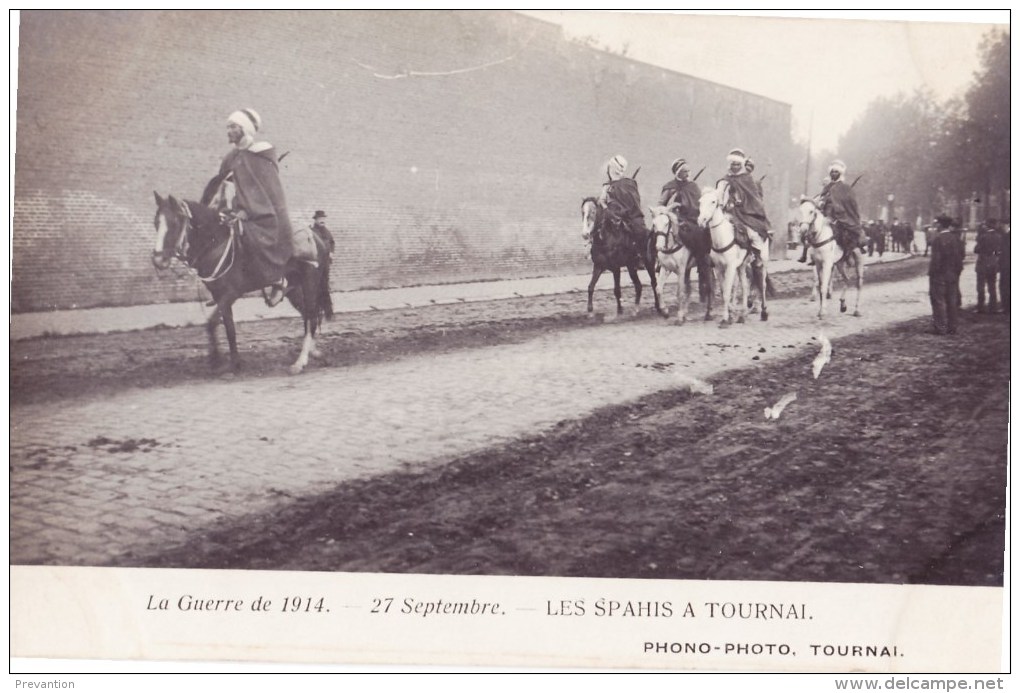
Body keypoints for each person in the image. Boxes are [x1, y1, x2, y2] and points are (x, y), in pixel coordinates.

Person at [658, 157, 712, 300]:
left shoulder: (693, 186)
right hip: (677, 218)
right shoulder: (670, 187)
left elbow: (701, 204)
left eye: (688, 170)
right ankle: (659, 261)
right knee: (659, 234)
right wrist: (670, 208)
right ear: (677, 172)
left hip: (693, 219)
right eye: (684, 171)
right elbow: (661, 204)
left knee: (702, 236)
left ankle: (702, 263)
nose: (687, 173)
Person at [722, 148, 770, 264]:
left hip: (745, 213)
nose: (735, 167)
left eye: (738, 164)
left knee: (753, 233)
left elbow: (755, 199)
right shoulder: (725, 179)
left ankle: (756, 256)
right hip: (728, 211)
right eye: (733, 164)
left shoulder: (748, 179)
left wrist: (741, 204)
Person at [598, 155, 647, 250]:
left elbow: (634, 204)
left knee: (641, 233)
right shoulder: (607, 186)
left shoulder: (629, 184)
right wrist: (605, 207)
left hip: (628, 217)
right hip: (610, 216)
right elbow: (602, 200)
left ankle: (640, 256)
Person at [927, 214, 964, 335]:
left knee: (938, 301)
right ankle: (953, 327)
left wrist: (932, 273)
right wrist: (956, 272)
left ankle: (940, 327)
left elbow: (936, 260)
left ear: (940, 224)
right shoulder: (955, 238)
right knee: (951, 301)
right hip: (952, 274)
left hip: (940, 275)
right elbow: (959, 258)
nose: (936, 225)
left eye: (937, 223)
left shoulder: (938, 239)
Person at [973, 220, 1003, 314]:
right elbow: (999, 251)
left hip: (983, 262)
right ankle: (993, 307)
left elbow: (976, 249)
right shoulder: (999, 237)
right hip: (993, 262)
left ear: (987, 226)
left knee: (981, 286)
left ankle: (980, 307)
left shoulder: (983, 237)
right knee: (992, 286)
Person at [999, 219, 1010, 315]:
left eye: (1003, 225)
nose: (1001, 227)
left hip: (1007, 265)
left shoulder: (1007, 236)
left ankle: (1007, 307)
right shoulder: (1004, 236)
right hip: (1005, 265)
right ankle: (1006, 306)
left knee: (1005, 286)